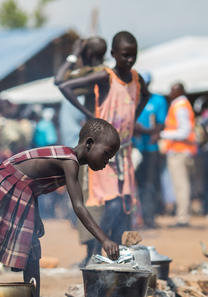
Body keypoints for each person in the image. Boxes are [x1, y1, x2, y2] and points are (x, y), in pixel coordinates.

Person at [0, 118, 121, 297]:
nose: (107, 162)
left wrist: (34, 215)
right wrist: (104, 240)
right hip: (10, 184)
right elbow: (78, 206)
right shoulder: (70, 161)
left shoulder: (69, 159)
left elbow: (33, 182)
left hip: (21, 188)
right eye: (106, 154)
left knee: (32, 251)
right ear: (89, 143)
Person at [58, 31, 149, 258]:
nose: (129, 60)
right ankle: (97, 250)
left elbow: (145, 96)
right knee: (110, 204)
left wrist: (133, 117)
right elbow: (63, 85)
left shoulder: (137, 79)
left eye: (133, 55)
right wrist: (89, 114)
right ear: (113, 54)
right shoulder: (105, 76)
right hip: (103, 153)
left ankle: (114, 255)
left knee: (124, 206)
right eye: (125, 55)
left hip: (124, 151)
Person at [55, 36, 108, 262]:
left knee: (90, 196)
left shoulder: (94, 73)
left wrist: (72, 54)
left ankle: (92, 255)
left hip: (95, 145)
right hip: (106, 143)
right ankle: (95, 252)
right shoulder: (107, 72)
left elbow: (59, 80)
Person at [159, 83, 198, 227]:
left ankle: (182, 218)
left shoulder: (180, 106)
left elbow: (185, 131)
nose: (170, 93)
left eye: (173, 90)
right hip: (180, 151)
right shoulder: (180, 105)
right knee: (182, 185)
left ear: (180, 91)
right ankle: (182, 216)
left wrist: (162, 134)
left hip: (180, 151)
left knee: (181, 185)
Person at [133, 71, 168, 228]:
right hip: (134, 148)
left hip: (151, 149)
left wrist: (146, 131)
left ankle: (149, 217)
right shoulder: (132, 99)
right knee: (135, 183)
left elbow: (160, 124)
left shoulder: (158, 100)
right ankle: (136, 217)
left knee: (150, 183)